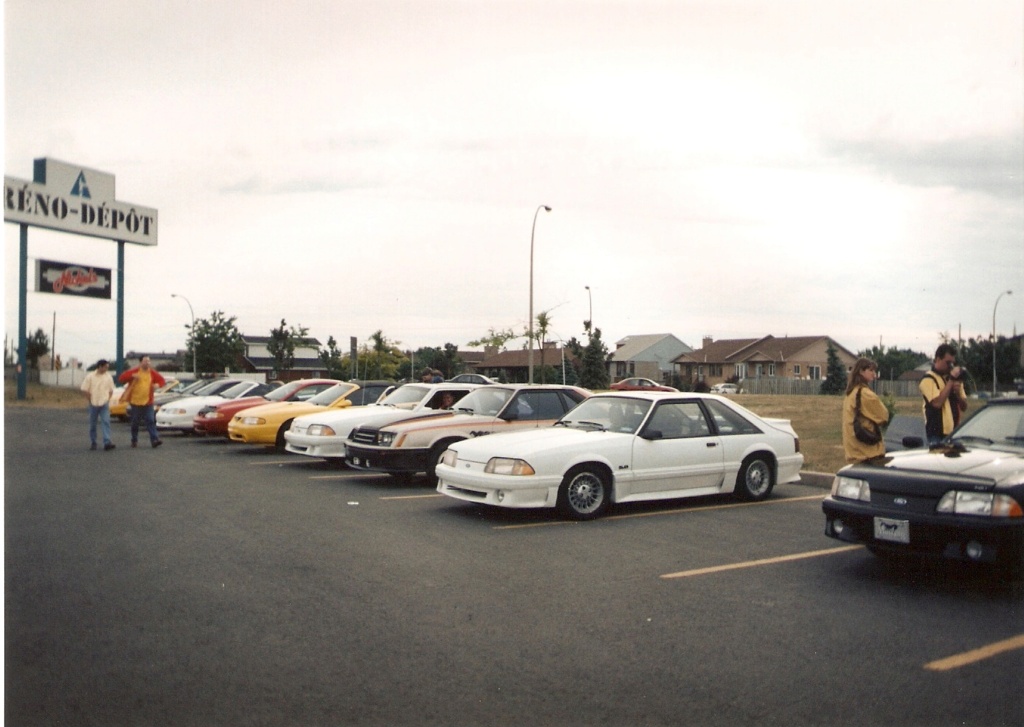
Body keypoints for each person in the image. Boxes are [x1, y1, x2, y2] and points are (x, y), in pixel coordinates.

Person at [842, 357, 889, 463]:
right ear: (861, 371)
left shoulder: (850, 393)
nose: (874, 374)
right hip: (867, 451)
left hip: (853, 450)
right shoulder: (865, 394)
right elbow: (883, 416)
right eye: (871, 370)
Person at [919, 343, 967, 446]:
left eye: (952, 363)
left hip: (954, 432)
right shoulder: (928, 379)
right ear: (937, 359)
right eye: (948, 363)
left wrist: (958, 394)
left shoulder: (954, 379)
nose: (950, 366)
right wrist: (951, 381)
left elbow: (964, 407)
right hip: (936, 434)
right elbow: (937, 403)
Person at [118, 355, 166, 448]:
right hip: (135, 402)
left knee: (150, 420)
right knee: (135, 422)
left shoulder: (152, 373)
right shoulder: (134, 372)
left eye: (148, 361)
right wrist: (132, 376)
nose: (147, 363)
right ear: (140, 362)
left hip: (148, 402)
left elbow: (162, 381)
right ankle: (134, 439)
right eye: (145, 361)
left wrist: (157, 385)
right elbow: (121, 378)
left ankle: (154, 439)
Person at [80, 359, 116, 451]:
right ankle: (93, 442)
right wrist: (90, 399)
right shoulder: (90, 376)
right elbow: (84, 389)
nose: (107, 368)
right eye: (105, 367)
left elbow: (111, 389)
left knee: (106, 421)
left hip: (104, 403)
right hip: (93, 403)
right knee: (93, 424)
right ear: (100, 366)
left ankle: (107, 442)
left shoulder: (108, 377)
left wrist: (107, 399)